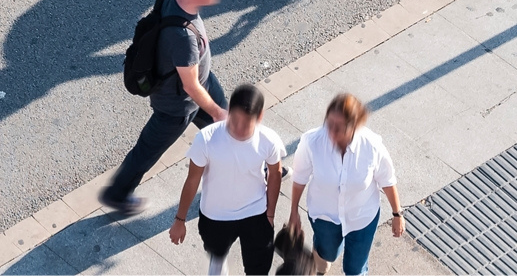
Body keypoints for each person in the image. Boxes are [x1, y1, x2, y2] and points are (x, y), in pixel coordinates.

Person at [99, 0, 230, 216]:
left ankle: (257, 167)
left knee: (230, 127)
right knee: (147, 150)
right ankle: (117, 194)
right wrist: (215, 111)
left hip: (201, 86)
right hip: (177, 105)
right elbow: (190, 86)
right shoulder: (183, 39)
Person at [170, 83, 285, 276]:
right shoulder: (206, 139)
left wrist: (270, 213)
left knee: (258, 268)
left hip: (256, 213)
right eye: (235, 120)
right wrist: (179, 220)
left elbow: (276, 173)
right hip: (216, 217)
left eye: (246, 122)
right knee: (217, 257)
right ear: (229, 111)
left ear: (260, 117)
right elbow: (192, 180)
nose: (239, 129)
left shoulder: (269, 140)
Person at [289, 94, 403, 276]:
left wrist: (397, 214)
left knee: (354, 269)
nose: (332, 131)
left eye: (339, 127)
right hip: (325, 217)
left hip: (362, 219)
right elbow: (300, 178)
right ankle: (324, 253)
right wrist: (293, 211)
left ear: (355, 126)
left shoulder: (372, 146)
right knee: (328, 253)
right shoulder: (312, 142)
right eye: (329, 124)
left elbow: (387, 180)